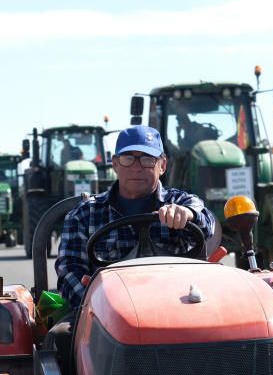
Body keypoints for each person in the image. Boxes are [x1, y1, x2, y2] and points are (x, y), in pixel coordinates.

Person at [55, 125, 216, 309]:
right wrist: (97, 306)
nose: (136, 168)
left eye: (147, 159)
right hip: (106, 315)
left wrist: (188, 214)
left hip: (176, 309)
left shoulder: (179, 202)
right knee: (58, 336)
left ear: (162, 165)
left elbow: (206, 223)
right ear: (115, 164)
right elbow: (69, 272)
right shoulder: (84, 215)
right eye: (128, 158)